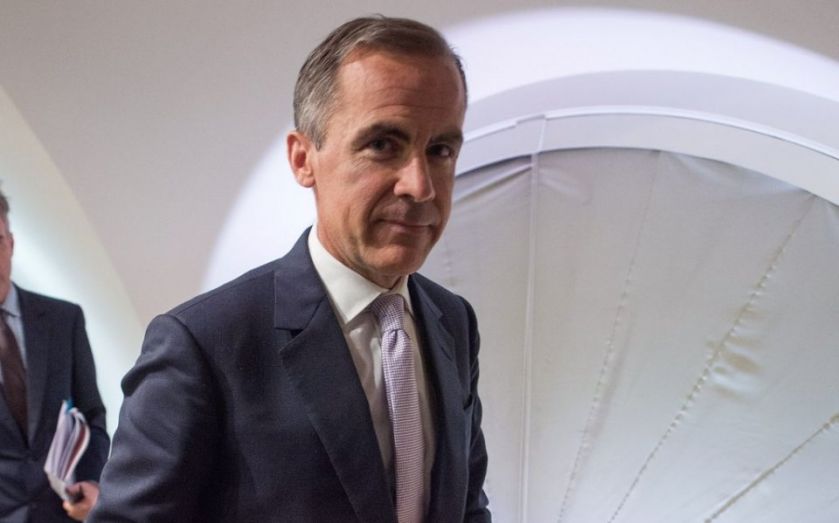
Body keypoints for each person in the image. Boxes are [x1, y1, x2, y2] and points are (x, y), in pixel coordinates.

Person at [91, 15, 490, 522]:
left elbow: (466, 505)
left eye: (440, 150)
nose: (420, 185)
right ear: (303, 159)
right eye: (383, 145)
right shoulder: (205, 344)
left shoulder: (452, 320)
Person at [0, 187, 110, 522]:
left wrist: (91, 481)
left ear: (11, 244)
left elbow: (92, 413)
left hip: (60, 512)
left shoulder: (64, 319)